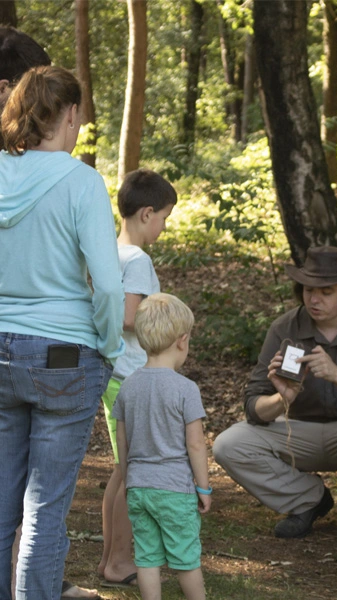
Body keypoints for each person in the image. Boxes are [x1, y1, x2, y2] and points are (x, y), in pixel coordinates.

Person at [0, 66, 124, 600]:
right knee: (45, 509)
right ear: (70, 113)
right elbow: (109, 286)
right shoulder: (81, 181)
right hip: (65, 354)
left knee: (4, 500)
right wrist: (111, 346)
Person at [213, 246, 337, 540]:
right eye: (308, 290)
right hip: (297, 431)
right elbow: (253, 407)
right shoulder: (285, 327)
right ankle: (307, 500)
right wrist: (283, 398)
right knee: (228, 445)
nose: (314, 299)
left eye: (326, 291)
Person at [97, 169, 177, 589]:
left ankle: (112, 559)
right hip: (132, 375)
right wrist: (165, 321)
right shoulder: (139, 259)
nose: (164, 226)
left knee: (122, 470)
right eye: (164, 217)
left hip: (113, 374)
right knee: (135, 473)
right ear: (147, 213)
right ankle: (119, 561)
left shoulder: (110, 250)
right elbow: (129, 317)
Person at [113, 293, 210, 600]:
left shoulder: (128, 385)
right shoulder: (185, 389)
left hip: (139, 487)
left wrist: (128, 479)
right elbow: (195, 444)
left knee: (146, 556)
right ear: (182, 341)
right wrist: (204, 488)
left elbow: (122, 441)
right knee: (185, 557)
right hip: (173, 489)